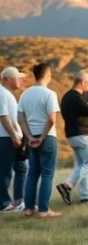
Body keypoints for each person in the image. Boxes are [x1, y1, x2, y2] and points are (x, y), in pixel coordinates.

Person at [16, 63, 61, 218]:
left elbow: (20, 118)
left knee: (32, 174)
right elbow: (51, 120)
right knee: (47, 174)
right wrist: (41, 137)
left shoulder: (25, 94)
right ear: (47, 75)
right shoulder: (49, 94)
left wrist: (29, 137)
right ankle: (43, 210)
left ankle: (28, 208)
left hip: (30, 138)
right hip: (47, 138)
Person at [55, 71, 88, 205]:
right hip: (83, 134)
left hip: (71, 135)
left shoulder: (66, 97)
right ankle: (67, 186)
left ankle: (85, 196)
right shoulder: (77, 97)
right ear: (82, 82)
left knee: (81, 165)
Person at [0, 66, 28, 212]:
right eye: (18, 78)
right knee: (4, 171)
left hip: (9, 137)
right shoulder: (2, 93)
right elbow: (4, 117)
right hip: (5, 138)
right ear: (9, 79)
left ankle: (16, 201)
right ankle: (4, 204)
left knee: (18, 168)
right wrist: (13, 135)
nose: (20, 80)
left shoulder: (6, 93)